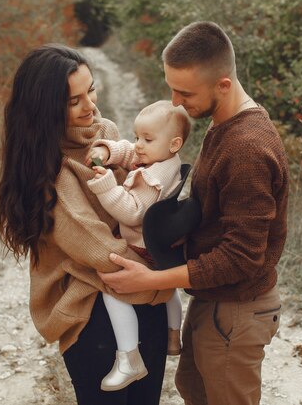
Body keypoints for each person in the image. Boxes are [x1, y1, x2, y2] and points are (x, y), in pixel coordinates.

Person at [98, 21, 289, 405]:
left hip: (236, 311)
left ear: (223, 84)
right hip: (213, 303)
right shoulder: (225, 125)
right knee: (194, 392)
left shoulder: (247, 148)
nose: (175, 101)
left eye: (185, 92)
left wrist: (151, 279)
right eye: (171, 87)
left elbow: (242, 257)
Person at [0, 44, 174, 405]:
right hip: (94, 311)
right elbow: (100, 249)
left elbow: (140, 202)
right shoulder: (48, 170)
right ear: (44, 108)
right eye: (72, 100)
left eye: (90, 89)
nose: (89, 106)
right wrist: (164, 279)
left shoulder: (104, 132)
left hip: (143, 293)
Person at [85, 100, 191, 391]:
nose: (138, 145)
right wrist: (108, 151)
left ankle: (129, 356)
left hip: (144, 246)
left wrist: (107, 184)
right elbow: (129, 152)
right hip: (164, 247)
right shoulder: (165, 160)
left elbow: (132, 211)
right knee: (169, 293)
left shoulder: (151, 177)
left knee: (113, 290)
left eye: (147, 139)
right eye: (136, 136)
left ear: (174, 143)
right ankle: (173, 335)